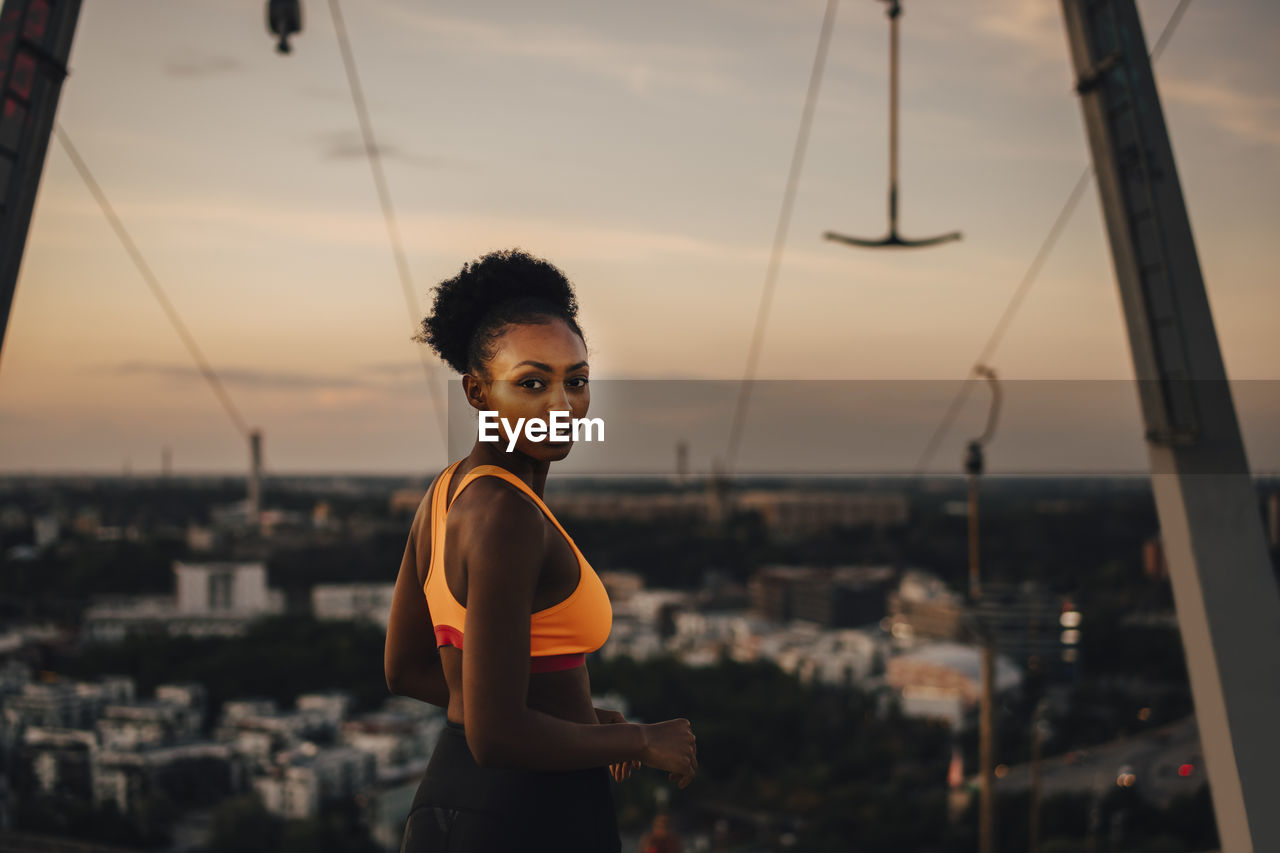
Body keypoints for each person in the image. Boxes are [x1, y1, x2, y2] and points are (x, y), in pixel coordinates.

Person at [385, 248, 698, 851]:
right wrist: (640, 740)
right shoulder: (509, 518)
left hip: (447, 804)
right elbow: (497, 736)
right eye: (531, 382)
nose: (561, 406)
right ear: (477, 391)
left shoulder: (446, 495)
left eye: (575, 381)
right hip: (532, 812)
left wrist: (572, 724)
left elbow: (408, 669)